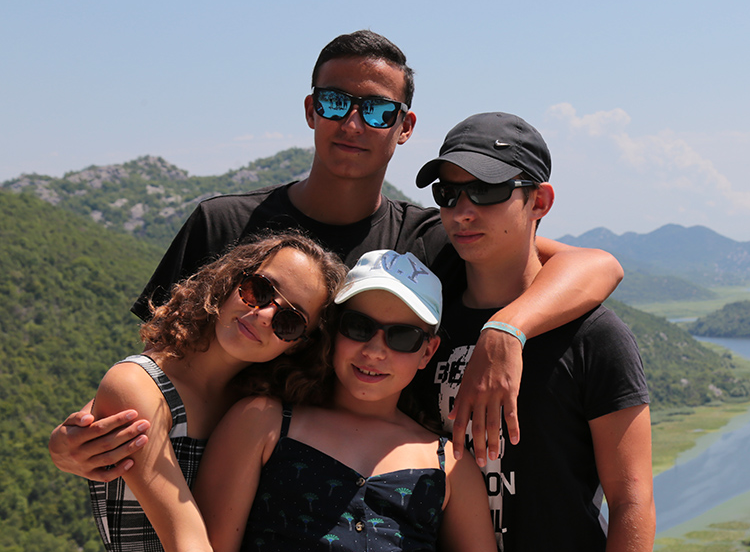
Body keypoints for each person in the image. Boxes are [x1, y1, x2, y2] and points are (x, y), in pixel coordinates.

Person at [49, 29, 623, 483]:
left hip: (353, 526)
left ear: (404, 128)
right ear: (310, 110)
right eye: (335, 102)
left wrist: (508, 330)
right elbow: (159, 367)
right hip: (211, 507)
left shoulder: (425, 240)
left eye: (376, 111)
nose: (353, 123)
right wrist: (76, 439)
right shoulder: (223, 225)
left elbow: (596, 264)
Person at [182, 250, 517, 552]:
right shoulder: (262, 425)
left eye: (402, 337)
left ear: (428, 352)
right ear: (333, 330)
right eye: (358, 327)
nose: (375, 350)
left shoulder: (447, 461)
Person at [412, 113, 656, 552]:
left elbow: (632, 501)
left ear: (539, 200)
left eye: (490, 190)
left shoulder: (593, 337)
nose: (463, 210)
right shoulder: (416, 323)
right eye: (449, 193)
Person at [86, 233, 347, 552]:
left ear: (296, 346)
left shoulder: (258, 411)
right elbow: (190, 547)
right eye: (259, 290)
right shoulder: (137, 388)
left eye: (288, 321)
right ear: (230, 281)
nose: (263, 315)